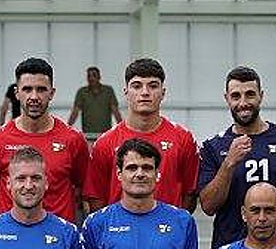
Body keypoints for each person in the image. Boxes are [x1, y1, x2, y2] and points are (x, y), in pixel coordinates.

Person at [197, 66, 276, 249]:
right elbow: (208, 206)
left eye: (250, 94)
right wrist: (229, 164)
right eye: (235, 96)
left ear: (261, 96)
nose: (243, 102)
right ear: (226, 99)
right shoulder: (213, 147)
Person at [0, 57, 90, 224]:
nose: (34, 96)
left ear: (52, 93)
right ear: (16, 93)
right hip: (10, 244)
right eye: (27, 89)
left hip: (58, 246)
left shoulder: (73, 140)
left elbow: (86, 193)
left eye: (41, 89)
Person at [83, 58, 198, 213]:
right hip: (118, 235)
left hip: (167, 233)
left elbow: (189, 194)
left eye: (153, 86)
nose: (145, 92)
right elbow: (96, 199)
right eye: (137, 86)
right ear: (126, 92)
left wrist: (171, 226)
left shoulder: (183, 139)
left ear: (163, 92)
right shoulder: (105, 143)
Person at [67, 66, 122, 136]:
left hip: (105, 133)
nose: (91, 78)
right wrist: (67, 128)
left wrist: (122, 127)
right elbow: (75, 112)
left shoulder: (108, 91)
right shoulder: (82, 92)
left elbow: (115, 111)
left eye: (94, 75)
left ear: (99, 77)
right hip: (88, 133)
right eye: (89, 76)